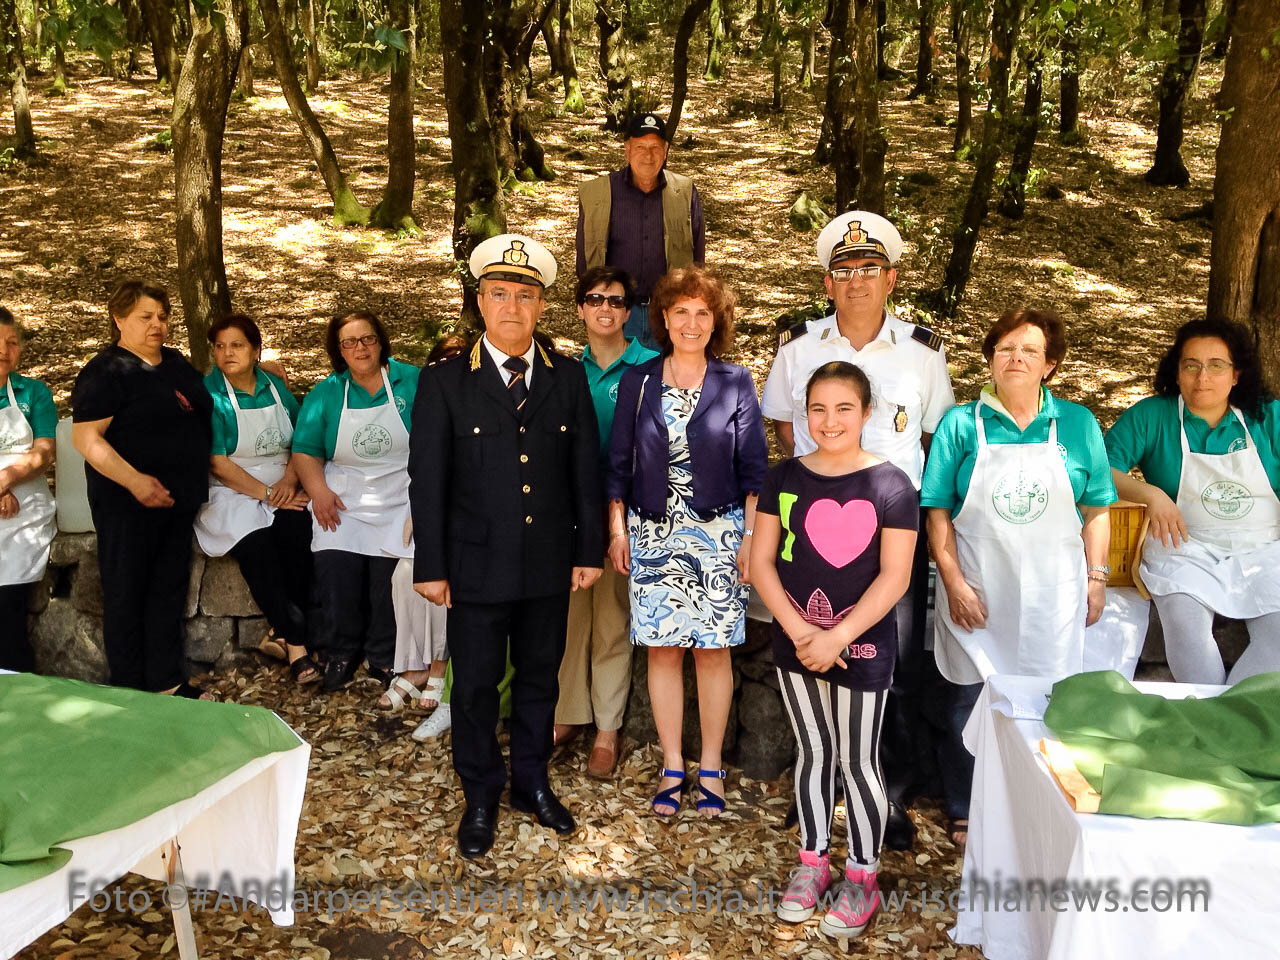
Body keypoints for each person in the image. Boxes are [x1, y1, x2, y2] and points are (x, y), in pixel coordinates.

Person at [760, 210, 954, 848]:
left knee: (891, 663)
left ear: (891, 277)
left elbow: (932, 439)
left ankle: (886, 793)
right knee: (806, 649)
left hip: (889, 532)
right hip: (809, 531)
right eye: (843, 271)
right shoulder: (799, 349)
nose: (857, 281)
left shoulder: (923, 354)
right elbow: (791, 436)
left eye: (870, 269)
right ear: (827, 283)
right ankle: (817, 786)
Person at [410, 234, 603, 859]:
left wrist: (588, 551)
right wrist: (432, 564)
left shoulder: (566, 377)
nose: (513, 306)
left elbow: (584, 472)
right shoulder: (444, 382)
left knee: (540, 680)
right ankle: (480, 793)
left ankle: (530, 781)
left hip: (548, 560)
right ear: (480, 301)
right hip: (474, 563)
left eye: (525, 295)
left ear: (542, 305)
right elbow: (429, 478)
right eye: (500, 294)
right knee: (475, 686)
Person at [921, 307, 1115, 845]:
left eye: (1030, 350)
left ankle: (1041, 803)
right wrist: (954, 581)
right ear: (989, 358)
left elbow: (1098, 507)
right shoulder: (961, 424)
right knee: (968, 697)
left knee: (1051, 698)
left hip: (1054, 596)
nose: (1016, 358)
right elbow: (937, 510)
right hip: (978, 591)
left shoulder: (1077, 424)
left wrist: (1096, 576)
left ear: (1050, 365)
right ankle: (968, 808)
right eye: (1005, 348)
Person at [751, 362, 918, 938]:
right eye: (817, 409)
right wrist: (802, 634)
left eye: (844, 408)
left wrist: (838, 636)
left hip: (862, 645)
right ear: (803, 414)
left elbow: (895, 576)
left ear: (867, 412)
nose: (830, 421)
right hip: (797, 639)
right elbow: (761, 563)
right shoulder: (784, 477)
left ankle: (863, 875)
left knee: (858, 760)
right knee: (814, 753)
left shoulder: (892, 485)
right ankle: (812, 863)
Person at [606, 265, 767, 818]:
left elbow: (754, 471)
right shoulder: (640, 380)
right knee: (664, 651)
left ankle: (713, 766)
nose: (692, 323)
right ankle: (674, 764)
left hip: (718, 535)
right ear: (665, 320)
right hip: (652, 533)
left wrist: (748, 541)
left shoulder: (735, 381)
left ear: (715, 321)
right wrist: (616, 528)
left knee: (713, 653)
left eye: (703, 313)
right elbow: (617, 465)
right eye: (682, 312)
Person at [1106, 317, 1280, 684]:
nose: (1203, 377)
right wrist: (1149, 494)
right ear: (1177, 370)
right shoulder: (1153, 415)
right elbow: (1099, 468)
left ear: (1236, 375)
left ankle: (1219, 719)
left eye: (1217, 366)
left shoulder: (1269, 416)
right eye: (1191, 365)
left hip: (1265, 549)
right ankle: (1219, 723)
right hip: (1183, 547)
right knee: (1185, 622)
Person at [71, 281, 214, 698]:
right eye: (145, 317)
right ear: (119, 319)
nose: (158, 325)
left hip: (176, 501)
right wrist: (135, 482)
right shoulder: (106, 371)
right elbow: (87, 440)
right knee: (127, 592)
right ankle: (130, 690)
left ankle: (167, 683)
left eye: (163, 317)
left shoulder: (175, 363)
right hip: (127, 505)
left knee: (167, 591)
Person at [553, 266, 659, 777]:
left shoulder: (651, 367)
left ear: (628, 311)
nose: (605, 309)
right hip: (572, 510)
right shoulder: (562, 370)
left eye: (616, 301)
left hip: (627, 511)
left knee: (613, 620)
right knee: (571, 618)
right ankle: (568, 713)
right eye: (594, 299)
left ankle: (608, 728)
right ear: (579, 308)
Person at [291, 310, 419, 693]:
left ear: (381, 342)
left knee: (387, 582)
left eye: (367, 339)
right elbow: (305, 450)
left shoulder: (412, 381)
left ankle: (383, 656)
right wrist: (318, 491)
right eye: (350, 342)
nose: (360, 348)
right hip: (343, 499)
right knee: (336, 573)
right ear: (339, 351)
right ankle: (341, 653)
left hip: (400, 496)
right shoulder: (326, 393)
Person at [193, 313, 318, 685]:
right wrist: (266, 494)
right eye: (220, 346)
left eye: (237, 345)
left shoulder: (275, 386)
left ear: (255, 350)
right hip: (233, 491)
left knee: (299, 532)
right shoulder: (210, 395)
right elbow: (217, 463)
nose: (227, 353)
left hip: (282, 480)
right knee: (257, 545)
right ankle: (297, 642)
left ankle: (281, 634)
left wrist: (289, 481)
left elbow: (304, 439)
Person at [383, 334, 467, 726]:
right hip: (430, 508)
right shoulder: (427, 403)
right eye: (442, 359)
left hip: (469, 517)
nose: (448, 365)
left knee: (443, 575)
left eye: (458, 358)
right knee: (405, 573)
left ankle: (438, 666)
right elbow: (423, 469)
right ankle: (412, 665)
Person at [575, 112, 706, 352]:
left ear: (665, 151)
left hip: (667, 314)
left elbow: (697, 264)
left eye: (655, 148)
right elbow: (585, 266)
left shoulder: (684, 192)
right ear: (627, 149)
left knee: (666, 385)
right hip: (618, 314)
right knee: (619, 386)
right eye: (640, 147)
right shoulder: (598, 195)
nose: (648, 155)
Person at [0, 307, 57, 672]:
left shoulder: (34, 393)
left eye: (12, 342)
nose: (4, 350)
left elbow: (44, 452)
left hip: (26, 508)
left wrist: (5, 482)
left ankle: (15, 683)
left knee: (7, 604)